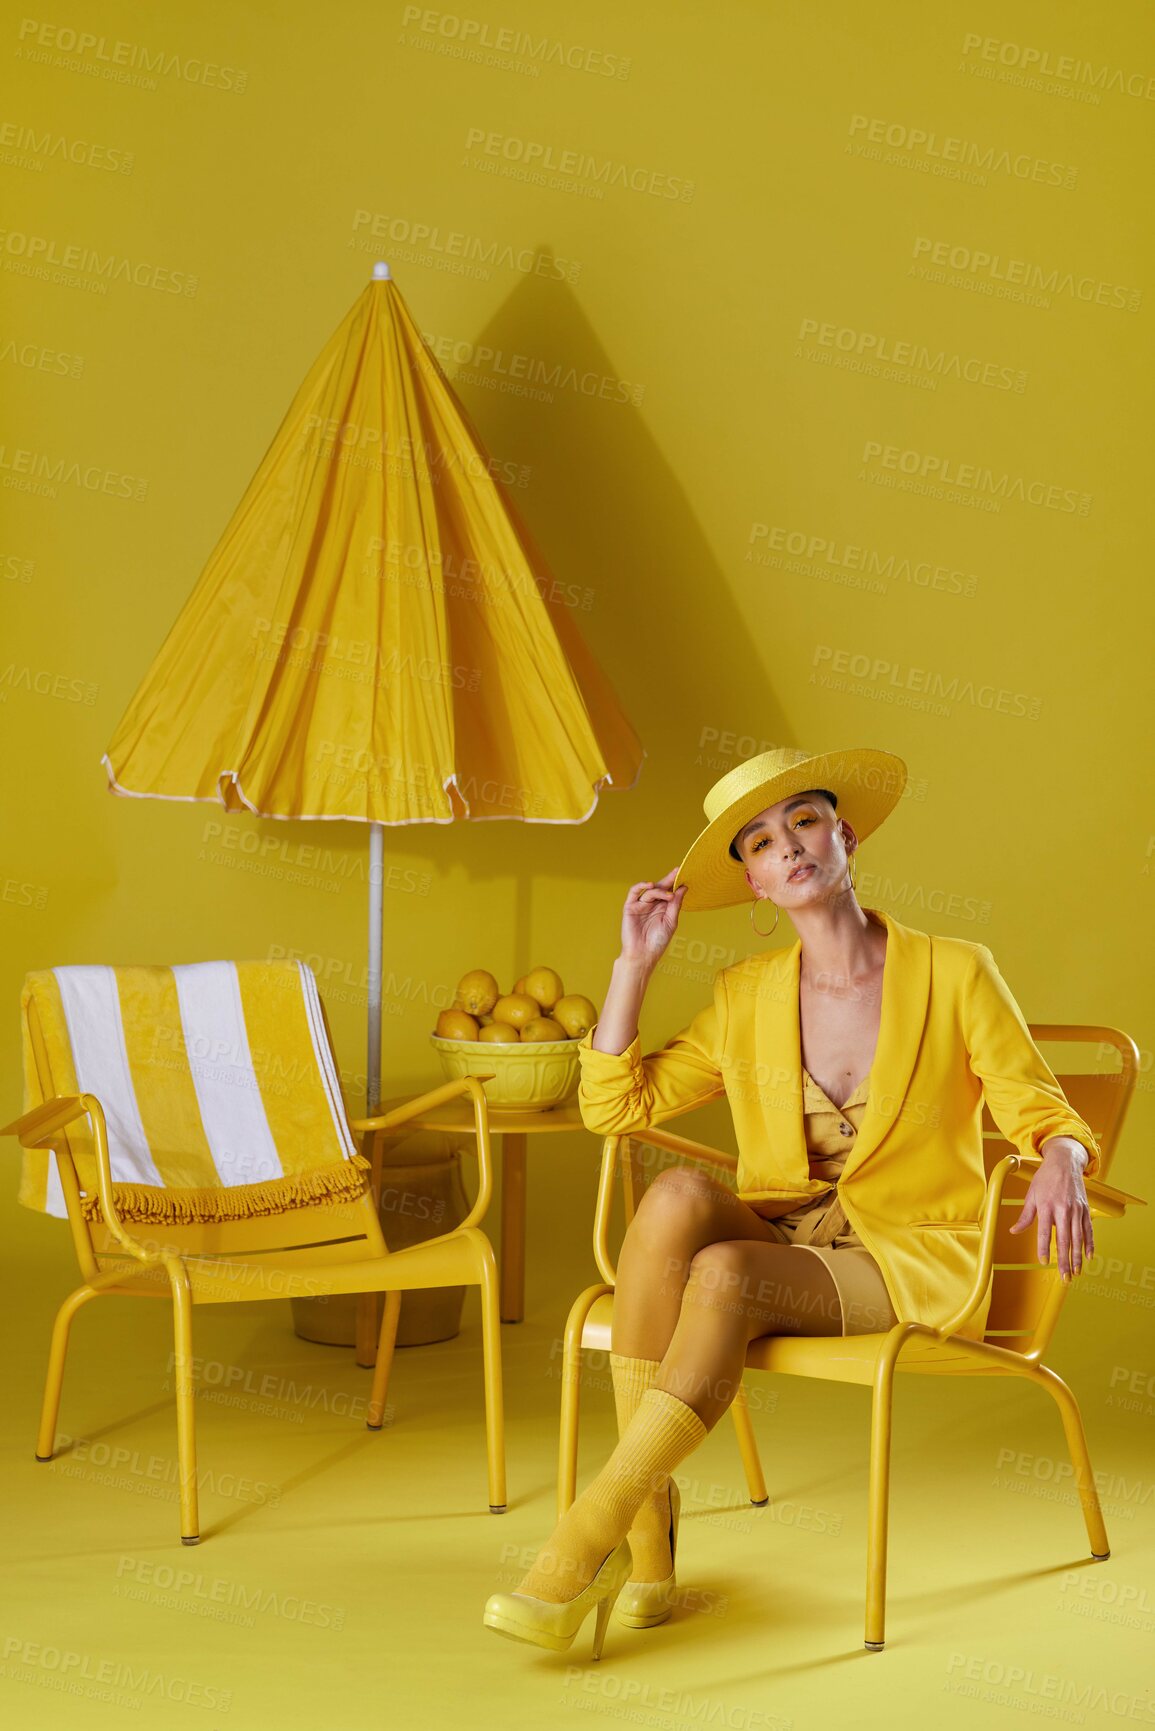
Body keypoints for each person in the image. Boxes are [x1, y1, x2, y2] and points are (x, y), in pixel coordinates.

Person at [482, 744, 1101, 1660]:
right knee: (679, 1195)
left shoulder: (957, 971)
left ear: (843, 835)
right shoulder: (745, 995)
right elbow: (614, 1106)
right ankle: (646, 1536)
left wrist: (1061, 1155)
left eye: (803, 822)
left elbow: (1039, 1107)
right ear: (756, 885)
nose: (789, 846)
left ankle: (591, 1535)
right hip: (789, 1236)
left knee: (726, 1272)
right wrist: (633, 966)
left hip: (909, 1259)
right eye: (762, 843)